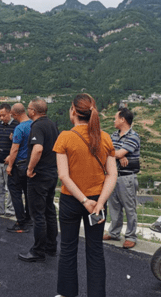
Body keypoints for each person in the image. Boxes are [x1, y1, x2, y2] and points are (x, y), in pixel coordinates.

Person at [53, 94, 118, 297]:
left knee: (68, 249)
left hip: (72, 201)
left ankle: (65, 294)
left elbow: (63, 175)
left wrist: (83, 200)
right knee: (95, 251)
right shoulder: (105, 137)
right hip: (98, 203)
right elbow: (112, 174)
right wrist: (99, 202)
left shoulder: (65, 137)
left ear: (73, 110)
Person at [18, 98, 59, 263]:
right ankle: (51, 246)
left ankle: (38, 250)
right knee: (50, 211)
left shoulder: (37, 126)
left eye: (29, 108)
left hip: (39, 175)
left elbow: (38, 148)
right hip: (52, 173)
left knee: (38, 214)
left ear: (33, 111)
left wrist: (30, 168)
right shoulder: (52, 125)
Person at [103, 107, 141, 249]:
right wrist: (118, 153)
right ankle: (114, 233)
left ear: (123, 120)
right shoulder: (113, 135)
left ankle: (131, 236)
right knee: (114, 206)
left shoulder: (133, 136)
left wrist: (118, 154)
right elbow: (109, 152)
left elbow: (114, 153)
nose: (114, 120)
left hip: (126, 177)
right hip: (113, 176)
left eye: (115, 118)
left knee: (129, 208)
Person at [5, 103, 32, 233]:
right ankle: (29, 218)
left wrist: (10, 165)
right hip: (31, 164)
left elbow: (15, 148)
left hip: (19, 164)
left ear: (14, 114)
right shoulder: (34, 124)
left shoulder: (19, 128)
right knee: (28, 192)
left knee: (15, 191)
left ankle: (20, 222)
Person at [0, 103, 18, 217]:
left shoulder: (16, 125)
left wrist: (11, 157)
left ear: (10, 113)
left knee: (10, 187)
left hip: (9, 161)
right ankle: (0, 209)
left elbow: (19, 144)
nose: (1, 118)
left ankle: (11, 210)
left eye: (3, 115)